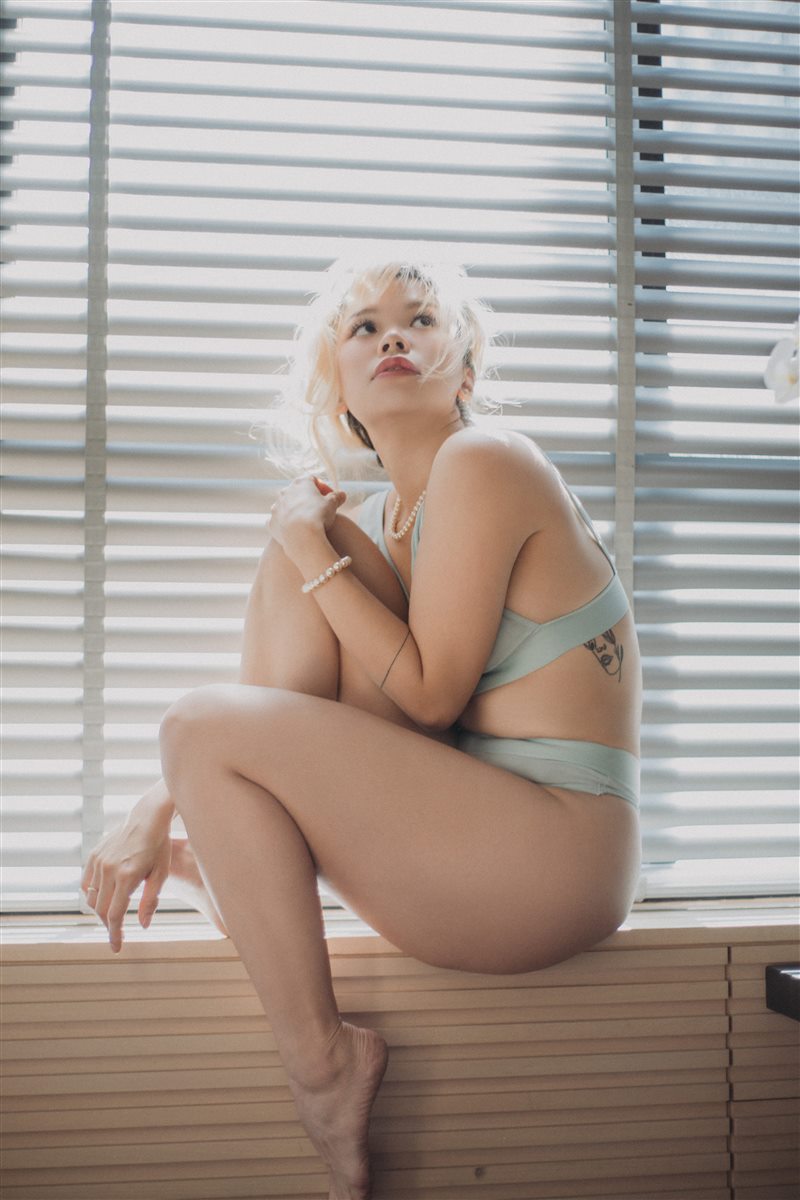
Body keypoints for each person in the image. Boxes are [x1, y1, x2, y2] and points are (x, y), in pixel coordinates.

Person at [82, 252, 641, 1200]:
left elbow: (427, 699)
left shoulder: (487, 462)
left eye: (420, 320)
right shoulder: (389, 520)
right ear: (337, 386)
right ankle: (235, 860)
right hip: (477, 831)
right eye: (364, 327)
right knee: (303, 547)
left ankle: (323, 1063)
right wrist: (307, 544)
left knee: (220, 682)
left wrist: (161, 795)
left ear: (464, 369)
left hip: (559, 853)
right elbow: (299, 720)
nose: (393, 338)